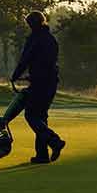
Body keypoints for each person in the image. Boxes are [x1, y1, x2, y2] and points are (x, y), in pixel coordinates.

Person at [11, 11, 66, 164]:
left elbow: (25, 60)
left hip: (40, 84)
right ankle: (42, 155)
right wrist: (32, 76)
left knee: (31, 115)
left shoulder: (35, 39)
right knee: (41, 116)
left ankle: (54, 141)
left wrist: (15, 75)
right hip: (50, 82)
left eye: (29, 23)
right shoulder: (51, 39)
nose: (29, 26)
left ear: (33, 23)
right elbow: (47, 64)